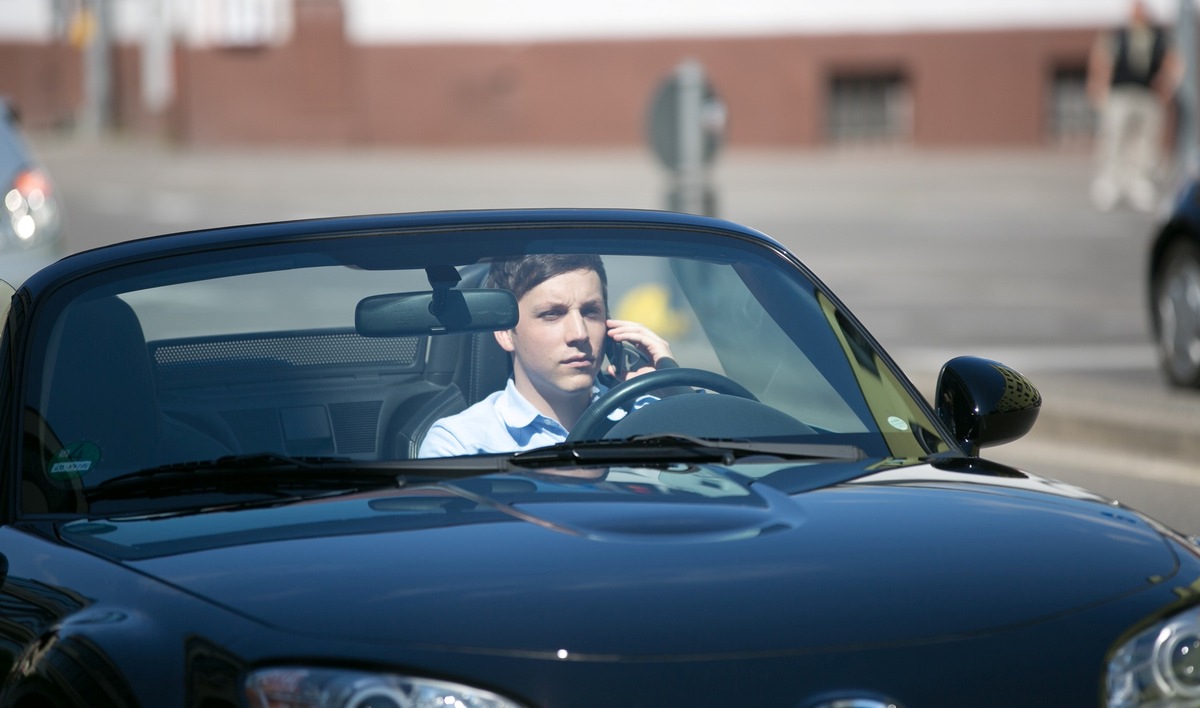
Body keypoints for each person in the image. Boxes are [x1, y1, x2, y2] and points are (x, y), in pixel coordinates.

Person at [417, 254, 675, 457]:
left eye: (590, 311)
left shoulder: (651, 414)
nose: (579, 333)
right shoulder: (461, 444)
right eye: (552, 314)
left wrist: (674, 388)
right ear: (506, 333)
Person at [1087, 0, 1181, 212]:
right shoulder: (1118, 34)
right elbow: (1102, 58)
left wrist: (1167, 85)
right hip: (1121, 92)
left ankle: (1139, 183)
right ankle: (1111, 182)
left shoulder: (1158, 36)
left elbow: (1171, 61)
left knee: (1145, 142)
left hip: (1147, 94)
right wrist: (1099, 85)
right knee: (1115, 137)